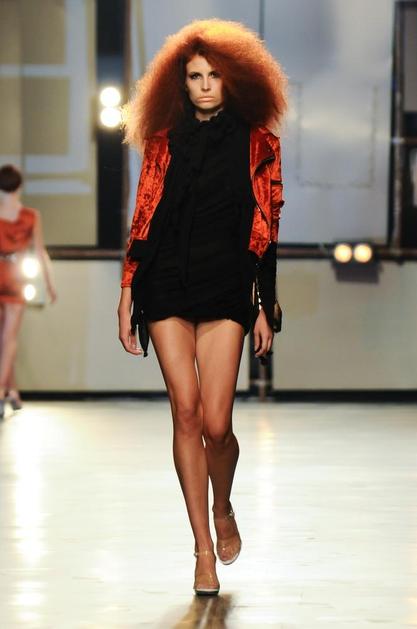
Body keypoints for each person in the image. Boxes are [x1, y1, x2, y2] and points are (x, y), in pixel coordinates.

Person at [118, 19, 287, 595]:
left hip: (226, 287)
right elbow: (143, 220)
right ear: (180, 83)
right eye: (195, 76)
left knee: (218, 425)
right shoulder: (162, 143)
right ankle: (202, 549)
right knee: (186, 414)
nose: (206, 85)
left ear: (234, 78)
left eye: (215, 75)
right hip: (165, 284)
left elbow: (268, 228)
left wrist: (264, 302)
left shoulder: (260, 145)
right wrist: (127, 292)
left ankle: (223, 506)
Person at [0, 164, 56, 418]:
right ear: (20, 186)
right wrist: (50, 284)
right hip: (15, 276)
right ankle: (4, 390)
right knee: (9, 338)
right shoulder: (30, 216)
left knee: (3, 339)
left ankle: (11, 390)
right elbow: (40, 252)